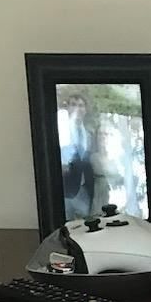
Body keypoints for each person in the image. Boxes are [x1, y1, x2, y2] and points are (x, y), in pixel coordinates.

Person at [58, 90, 96, 221]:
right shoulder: (60, 130)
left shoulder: (88, 133)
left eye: (81, 105)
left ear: (85, 109)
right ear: (67, 108)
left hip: (83, 188)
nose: (77, 109)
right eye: (73, 105)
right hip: (64, 189)